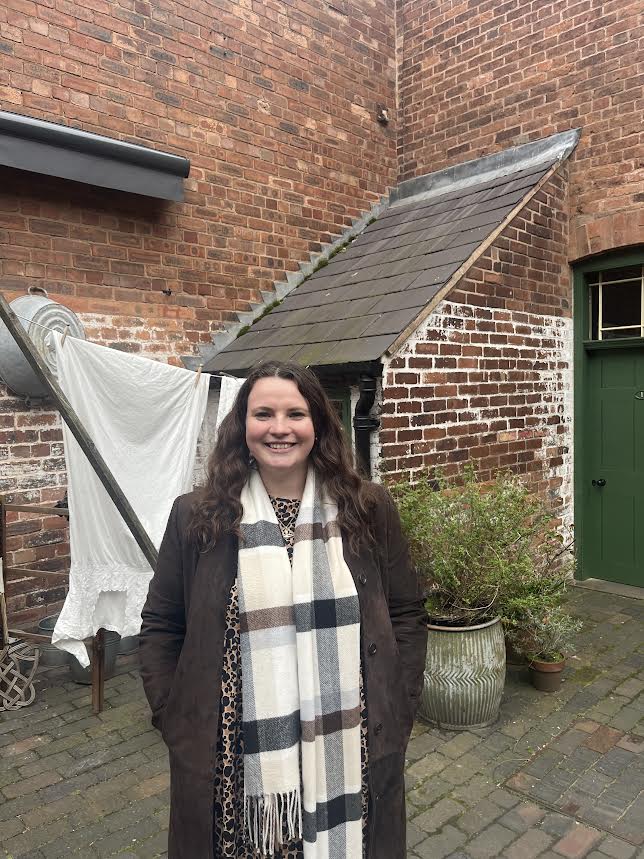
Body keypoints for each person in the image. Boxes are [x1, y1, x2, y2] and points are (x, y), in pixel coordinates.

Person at [139, 360, 428, 859]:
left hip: (348, 746)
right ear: (241, 426)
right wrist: (173, 713)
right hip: (232, 754)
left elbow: (406, 611)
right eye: (263, 413)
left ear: (318, 425)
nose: (279, 428)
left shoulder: (367, 508)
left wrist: (399, 699)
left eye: (295, 413)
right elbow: (161, 625)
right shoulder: (199, 516)